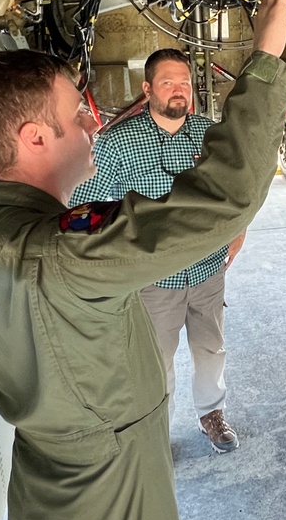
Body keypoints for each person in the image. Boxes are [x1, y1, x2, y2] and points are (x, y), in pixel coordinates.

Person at [0, 0, 286, 520]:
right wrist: (264, 59)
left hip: (51, 494)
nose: (93, 124)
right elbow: (228, 194)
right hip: (109, 509)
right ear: (33, 138)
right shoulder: (65, 254)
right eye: (76, 112)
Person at [71, 49, 245, 454]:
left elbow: (238, 189)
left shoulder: (210, 134)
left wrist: (240, 229)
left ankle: (211, 413)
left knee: (210, 346)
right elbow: (87, 210)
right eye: (168, 82)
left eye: (184, 81)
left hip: (206, 269)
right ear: (147, 88)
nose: (179, 90)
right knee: (154, 361)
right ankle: (155, 433)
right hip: (153, 278)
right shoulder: (115, 143)